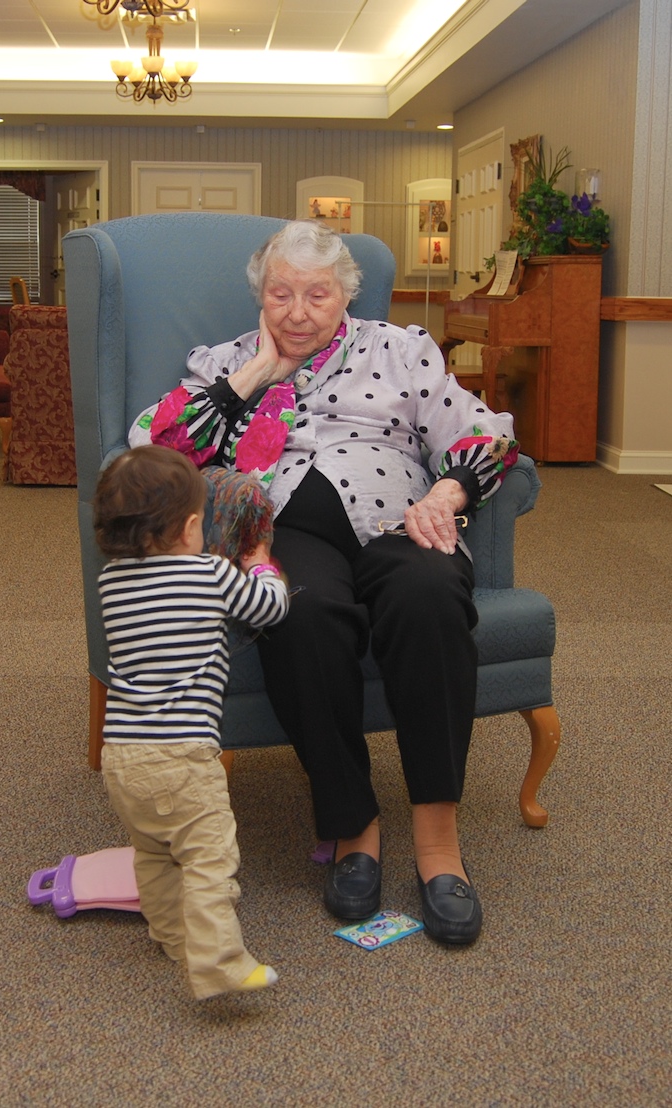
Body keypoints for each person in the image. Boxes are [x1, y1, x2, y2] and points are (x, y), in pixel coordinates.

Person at [130, 220, 519, 946]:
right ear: (261, 298)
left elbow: (485, 429)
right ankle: (354, 828)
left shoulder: (400, 350)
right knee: (296, 613)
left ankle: (439, 843)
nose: (299, 311)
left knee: (431, 598)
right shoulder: (226, 364)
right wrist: (253, 376)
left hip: (401, 521)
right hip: (289, 535)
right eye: (282, 293)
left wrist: (449, 493)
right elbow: (152, 446)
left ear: (345, 294)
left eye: (317, 294)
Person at [93, 445, 289, 998]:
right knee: (209, 859)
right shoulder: (208, 573)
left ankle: (171, 934)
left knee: (154, 853)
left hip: (122, 755)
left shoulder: (110, 584)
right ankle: (218, 963)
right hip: (182, 756)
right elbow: (269, 609)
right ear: (191, 528)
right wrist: (262, 568)